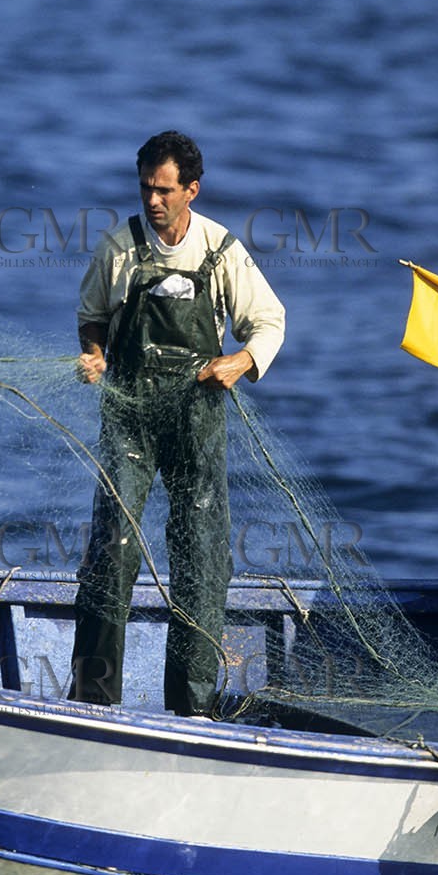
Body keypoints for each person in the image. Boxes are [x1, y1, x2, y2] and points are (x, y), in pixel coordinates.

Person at [68, 131, 285, 716]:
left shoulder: (221, 251)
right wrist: (95, 354)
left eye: (165, 190)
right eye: (145, 188)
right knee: (112, 549)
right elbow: (91, 318)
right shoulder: (119, 247)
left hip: (196, 423)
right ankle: (93, 702)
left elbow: (269, 323)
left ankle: (190, 708)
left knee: (202, 556)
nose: (153, 200)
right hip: (130, 422)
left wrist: (240, 361)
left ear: (192, 189)